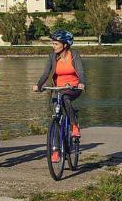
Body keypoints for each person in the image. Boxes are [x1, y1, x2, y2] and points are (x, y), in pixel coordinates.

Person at [32, 30, 86, 161]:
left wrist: (82, 83)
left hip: (72, 87)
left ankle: (74, 126)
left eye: (56, 44)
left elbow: (81, 71)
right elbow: (46, 73)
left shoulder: (74, 55)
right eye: (53, 43)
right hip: (57, 89)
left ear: (65, 45)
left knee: (65, 98)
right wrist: (39, 85)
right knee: (56, 118)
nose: (53, 46)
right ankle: (56, 151)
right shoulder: (52, 57)